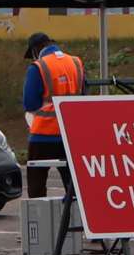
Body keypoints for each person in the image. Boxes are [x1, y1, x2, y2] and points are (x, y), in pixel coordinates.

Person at [21, 32, 86, 198]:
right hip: (71, 132)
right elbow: (84, 95)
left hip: (43, 134)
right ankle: (75, 221)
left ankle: (40, 221)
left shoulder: (38, 67)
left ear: (36, 49)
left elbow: (30, 104)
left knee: (36, 184)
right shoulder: (76, 62)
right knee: (73, 186)